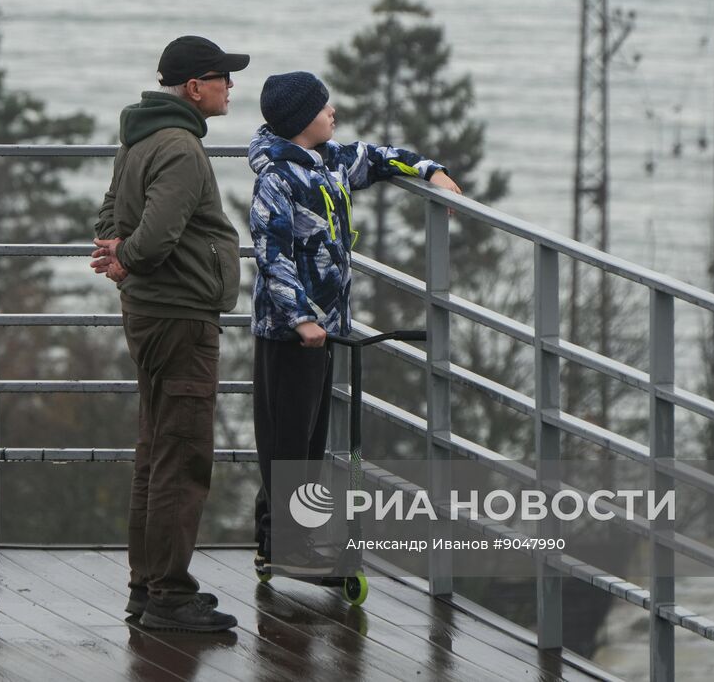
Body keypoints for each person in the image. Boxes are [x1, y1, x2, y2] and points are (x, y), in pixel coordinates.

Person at [248, 70, 461, 572]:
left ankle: (289, 539)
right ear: (303, 121)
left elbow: (381, 157)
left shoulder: (331, 161)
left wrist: (430, 171)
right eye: (324, 108)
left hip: (325, 331)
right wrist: (300, 318)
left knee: (312, 439)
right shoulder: (276, 180)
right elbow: (269, 254)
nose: (333, 113)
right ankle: (279, 542)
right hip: (288, 334)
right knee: (286, 443)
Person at [91, 34, 245, 633]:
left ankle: (148, 585)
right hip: (180, 316)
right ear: (193, 87)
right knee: (182, 457)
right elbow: (155, 235)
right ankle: (169, 598)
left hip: (149, 313)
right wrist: (128, 256)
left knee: (155, 452)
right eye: (222, 77)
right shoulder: (181, 148)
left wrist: (117, 250)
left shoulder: (140, 138)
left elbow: (111, 213)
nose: (230, 86)